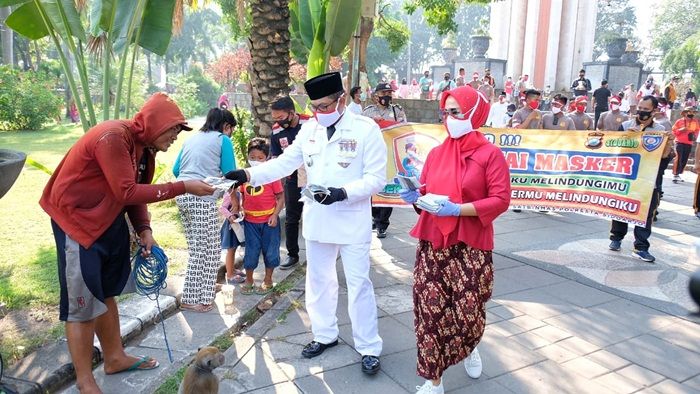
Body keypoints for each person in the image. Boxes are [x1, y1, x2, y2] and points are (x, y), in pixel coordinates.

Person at [40, 93, 215, 393]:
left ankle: (115, 357)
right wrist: (183, 186)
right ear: (154, 123)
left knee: (107, 293)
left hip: (108, 220)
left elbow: (138, 189)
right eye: (173, 129)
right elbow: (126, 191)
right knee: (82, 304)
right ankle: (85, 380)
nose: (175, 136)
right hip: (77, 222)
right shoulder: (113, 137)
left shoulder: (145, 148)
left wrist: (144, 229)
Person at [224, 71, 386, 375]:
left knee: (358, 283)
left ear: (341, 100)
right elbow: (285, 163)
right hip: (318, 218)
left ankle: (368, 347)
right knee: (319, 280)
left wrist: (342, 193)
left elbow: (377, 178)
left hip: (351, 220)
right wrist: (248, 174)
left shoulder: (366, 130)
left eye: (325, 106)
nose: (318, 113)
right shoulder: (309, 129)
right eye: (314, 107)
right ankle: (325, 334)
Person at [399, 86, 510, 394]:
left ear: (475, 114)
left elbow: (501, 200)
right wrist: (415, 196)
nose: (449, 118)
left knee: (469, 311)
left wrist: (459, 209)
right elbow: (428, 194)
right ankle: (433, 380)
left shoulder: (490, 155)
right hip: (434, 242)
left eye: (455, 112)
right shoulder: (436, 154)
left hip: (471, 245)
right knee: (430, 309)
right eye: (445, 112)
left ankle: (469, 347)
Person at [173, 108, 238, 312]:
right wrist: (235, 200)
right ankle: (192, 299)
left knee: (201, 247)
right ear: (226, 126)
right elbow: (231, 173)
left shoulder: (192, 139)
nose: (230, 134)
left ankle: (205, 291)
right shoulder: (222, 139)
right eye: (231, 130)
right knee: (206, 250)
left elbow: (177, 170)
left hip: (182, 194)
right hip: (201, 197)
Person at [609, 95, 665, 262]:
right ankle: (616, 238)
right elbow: (615, 151)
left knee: (645, 212)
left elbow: (666, 156)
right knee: (620, 207)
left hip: (648, 178)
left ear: (654, 111)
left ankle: (641, 246)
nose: (641, 112)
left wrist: (668, 142)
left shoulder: (660, 130)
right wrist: (628, 138)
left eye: (646, 109)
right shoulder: (626, 126)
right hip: (626, 176)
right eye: (640, 108)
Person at [230, 138, 284, 294]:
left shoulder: (272, 175)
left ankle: (268, 280)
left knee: (271, 251)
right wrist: (238, 206)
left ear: (266, 157)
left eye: (260, 158)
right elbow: (237, 193)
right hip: (250, 222)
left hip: (269, 222)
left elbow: (281, 198)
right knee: (251, 252)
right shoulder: (245, 177)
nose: (256, 161)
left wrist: (275, 215)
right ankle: (249, 280)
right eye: (252, 158)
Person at [269, 95, 312, 269]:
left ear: (292, 113)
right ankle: (292, 254)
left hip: (312, 179)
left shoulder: (310, 125)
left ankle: (316, 253)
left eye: (281, 117)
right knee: (292, 218)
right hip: (292, 180)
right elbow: (276, 157)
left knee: (314, 215)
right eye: (275, 119)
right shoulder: (277, 131)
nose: (279, 122)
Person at [364, 82, 408, 238]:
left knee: (388, 187)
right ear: (376, 96)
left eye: (389, 93)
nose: (387, 96)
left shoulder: (397, 111)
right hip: (371, 156)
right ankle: (375, 217)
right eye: (384, 93)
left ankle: (383, 223)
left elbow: (405, 130)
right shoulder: (368, 112)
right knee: (372, 188)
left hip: (390, 155)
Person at [220, 187, 246, 283]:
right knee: (231, 249)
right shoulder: (229, 194)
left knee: (234, 249)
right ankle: (230, 274)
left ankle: (232, 269)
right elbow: (222, 208)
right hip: (231, 226)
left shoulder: (238, 193)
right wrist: (230, 215)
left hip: (236, 224)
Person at [652, 97, 675, 204]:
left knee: (658, 176)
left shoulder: (664, 122)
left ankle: (658, 194)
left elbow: (669, 139)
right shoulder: (654, 121)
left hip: (662, 154)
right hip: (654, 153)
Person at [672, 106, 699, 183]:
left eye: (693, 112)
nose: (691, 114)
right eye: (689, 112)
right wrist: (681, 130)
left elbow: (697, 131)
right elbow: (674, 131)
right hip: (679, 142)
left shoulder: (695, 122)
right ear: (685, 113)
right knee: (678, 157)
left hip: (689, 143)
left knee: (684, 159)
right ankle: (675, 174)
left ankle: (678, 173)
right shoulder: (679, 121)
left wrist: (695, 137)